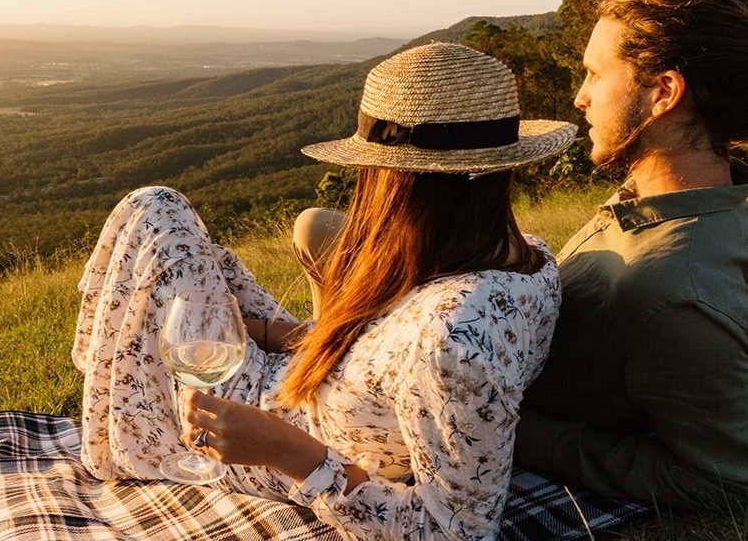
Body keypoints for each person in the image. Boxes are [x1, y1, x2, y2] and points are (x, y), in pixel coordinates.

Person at [72, 42, 576, 539]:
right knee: (171, 228)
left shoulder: (453, 342)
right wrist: (277, 334)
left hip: (257, 434)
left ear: (395, 180)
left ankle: (117, 405)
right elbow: (387, 355)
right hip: (296, 374)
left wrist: (281, 449)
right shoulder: (525, 256)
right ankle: (121, 373)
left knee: (155, 213)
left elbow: (454, 532)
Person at [513, 0, 748, 511]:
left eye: (596, 73)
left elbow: (728, 479)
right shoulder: (675, 195)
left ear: (663, 91)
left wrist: (525, 435)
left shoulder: (671, 293)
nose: (580, 96)